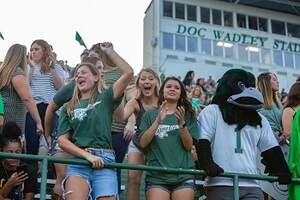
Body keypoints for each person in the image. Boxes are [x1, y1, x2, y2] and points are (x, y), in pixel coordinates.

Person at [195, 69, 291, 200]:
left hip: (252, 182)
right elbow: (202, 141)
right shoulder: (212, 111)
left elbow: (271, 149)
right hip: (221, 182)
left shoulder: (259, 119)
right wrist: (208, 164)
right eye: (242, 86)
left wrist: (280, 169)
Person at [57, 42, 133, 200]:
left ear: (97, 77)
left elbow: (128, 72)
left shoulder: (105, 96)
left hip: (105, 159)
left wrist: (111, 52)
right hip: (79, 161)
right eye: (77, 74)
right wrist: (87, 156)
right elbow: (62, 141)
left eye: (84, 73)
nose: (79, 76)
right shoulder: (67, 107)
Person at [47, 56, 105, 200]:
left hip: (82, 143)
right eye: (98, 68)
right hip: (63, 137)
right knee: (62, 177)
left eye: (102, 68)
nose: (101, 72)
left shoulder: (102, 91)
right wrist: (47, 134)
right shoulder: (73, 86)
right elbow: (50, 108)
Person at [138, 77, 198, 200]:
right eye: (169, 86)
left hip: (183, 175)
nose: (172, 89)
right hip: (157, 177)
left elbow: (188, 146)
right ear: (162, 91)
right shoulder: (150, 114)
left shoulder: (188, 115)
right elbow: (143, 143)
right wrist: (158, 121)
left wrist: (182, 124)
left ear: (181, 93)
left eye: (177, 88)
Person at [123, 68, 160, 200]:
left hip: (158, 145)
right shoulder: (135, 102)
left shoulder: (164, 102)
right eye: (143, 79)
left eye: (150, 78)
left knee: (158, 181)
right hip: (138, 144)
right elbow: (122, 115)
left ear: (156, 82)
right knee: (133, 179)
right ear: (138, 83)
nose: (147, 81)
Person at [25, 39, 64, 156]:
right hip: (33, 108)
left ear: (45, 51)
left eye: (36, 49)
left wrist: (51, 68)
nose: (33, 52)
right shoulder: (27, 66)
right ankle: (32, 171)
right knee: (32, 142)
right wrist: (31, 68)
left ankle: (51, 172)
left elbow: (60, 87)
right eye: (31, 50)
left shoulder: (56, 67)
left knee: (52, 143)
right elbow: (26, 87)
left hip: (50, 108)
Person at [0, 44, 42, 136]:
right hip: (12, 119)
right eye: (26, 56)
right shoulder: (17, 72)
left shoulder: (4, 71)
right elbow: (27, 98)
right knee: (11, 147)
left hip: (3, 116)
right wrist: (38, 122)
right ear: (21, 56)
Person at [0, 122, 38, 200]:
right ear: (2, 151)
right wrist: (9, 184)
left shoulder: (29, 170)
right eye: (9, 152)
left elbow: (29, 198)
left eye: (17, 152)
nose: (14, 156)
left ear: (21, 150)